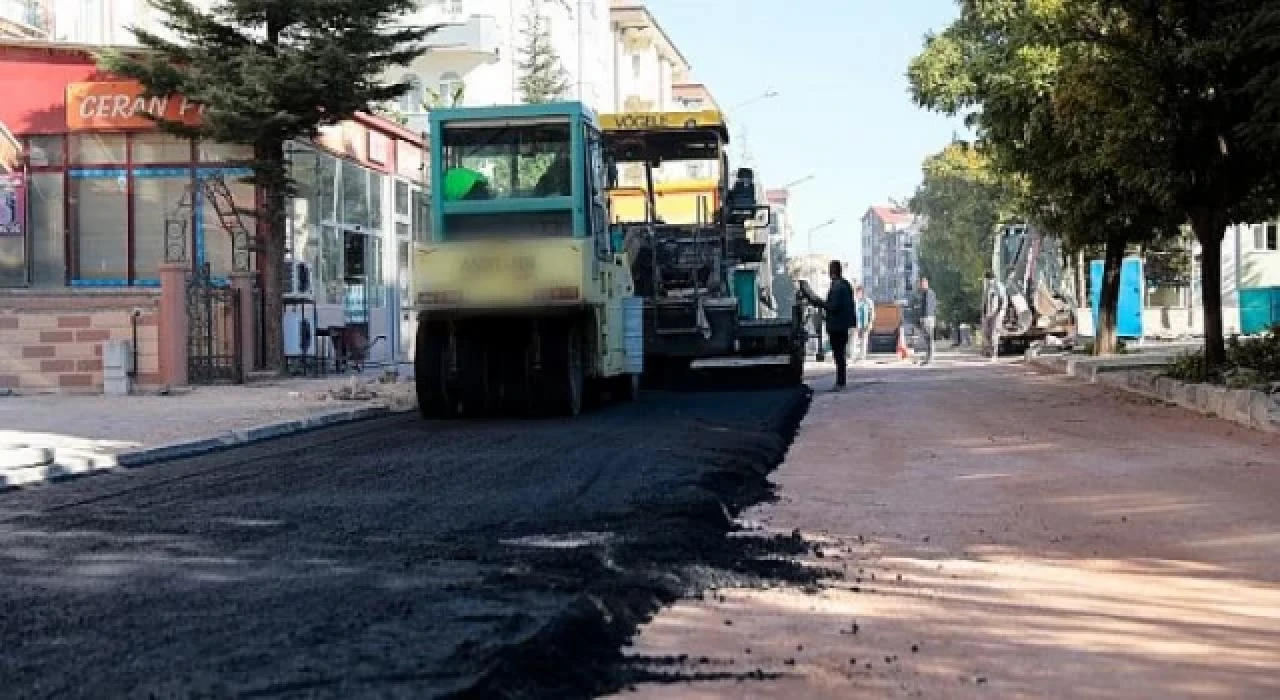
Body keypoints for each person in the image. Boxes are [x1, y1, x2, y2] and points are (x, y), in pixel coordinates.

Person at [803, 261, 855, 389]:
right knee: (840, 354)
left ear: (832, 270)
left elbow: (834, 306)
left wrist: (819, 302)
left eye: (829, 269)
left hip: (837, 325)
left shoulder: (837, 286)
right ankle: (841, 381)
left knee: (838, 354)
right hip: (842, 324)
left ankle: (840, 382)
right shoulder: (845, 284)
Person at [982, 270, 1008, 361]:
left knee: (994, 334)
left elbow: (1003, 300)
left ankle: (994, 355)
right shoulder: (988, 288)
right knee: (986, 333)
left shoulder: (999, 286)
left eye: (987, 279)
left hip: (997, 313)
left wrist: (1000, 312)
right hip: (988, 314)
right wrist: (984, 314)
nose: (986, 281)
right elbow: (985, 302)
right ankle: (990, 351)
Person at [917, 277, 938, 365]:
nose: (920, 286)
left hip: (927, 318)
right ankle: (929, 357)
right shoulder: (932, 293)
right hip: (931, 317)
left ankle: (929, 358)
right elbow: (934, 305)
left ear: (925, 283)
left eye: (921, 284)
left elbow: (926, 306)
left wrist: (922, 318)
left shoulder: (926, 293)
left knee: (928, 338)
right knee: (929, 338)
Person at [854, 285, 875, 362]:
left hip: (866, 323)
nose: (857, 294)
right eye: (856, 292)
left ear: (862, 292)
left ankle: (862, 357)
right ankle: (854, 356)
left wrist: (870, 322)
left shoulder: (868, 301)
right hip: (856, 323)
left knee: (864, 340)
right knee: (855, 340)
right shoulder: (855, 301)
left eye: (858, 292)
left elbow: (872, 313)